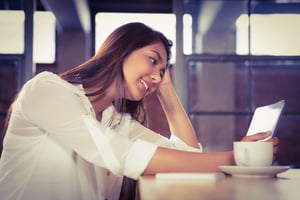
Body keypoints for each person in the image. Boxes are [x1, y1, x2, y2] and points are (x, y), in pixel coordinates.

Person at [0, 22, 278, 200]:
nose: (157, 76)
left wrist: (165, 88)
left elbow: (189, 157)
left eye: (163, 70)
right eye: (152, 60)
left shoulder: (117, 122)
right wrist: (236, 159)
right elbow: (118, 154)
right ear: (121, 50)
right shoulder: (47, 90)